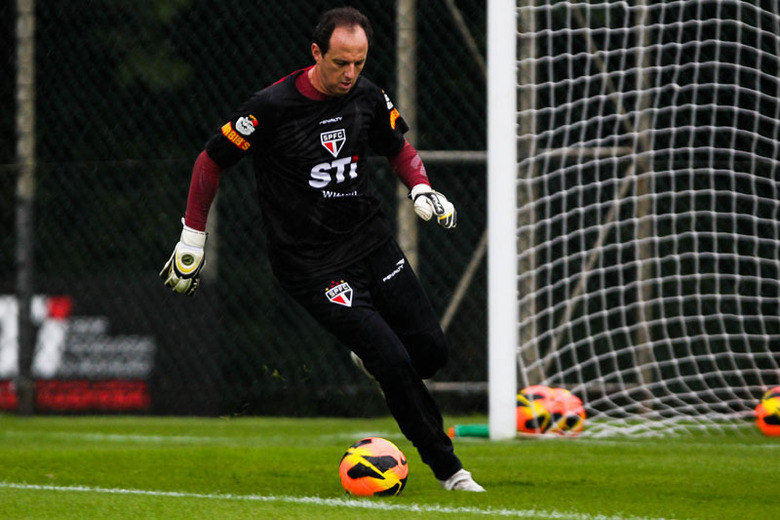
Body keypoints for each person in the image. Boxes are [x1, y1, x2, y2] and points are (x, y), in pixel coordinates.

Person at [160, 7, 484, 492]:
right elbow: (210, 160)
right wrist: (192, 237)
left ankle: (369, 359)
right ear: (316, 53)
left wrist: (421, 189)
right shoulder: (270, 107)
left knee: (430, 353)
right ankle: (451, 471)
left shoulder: (368, 96)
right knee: (394, 362)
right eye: (340, 63)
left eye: (359, 62)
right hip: (311, 264)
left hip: (371, 242)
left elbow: (397, 147)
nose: (350, 74)